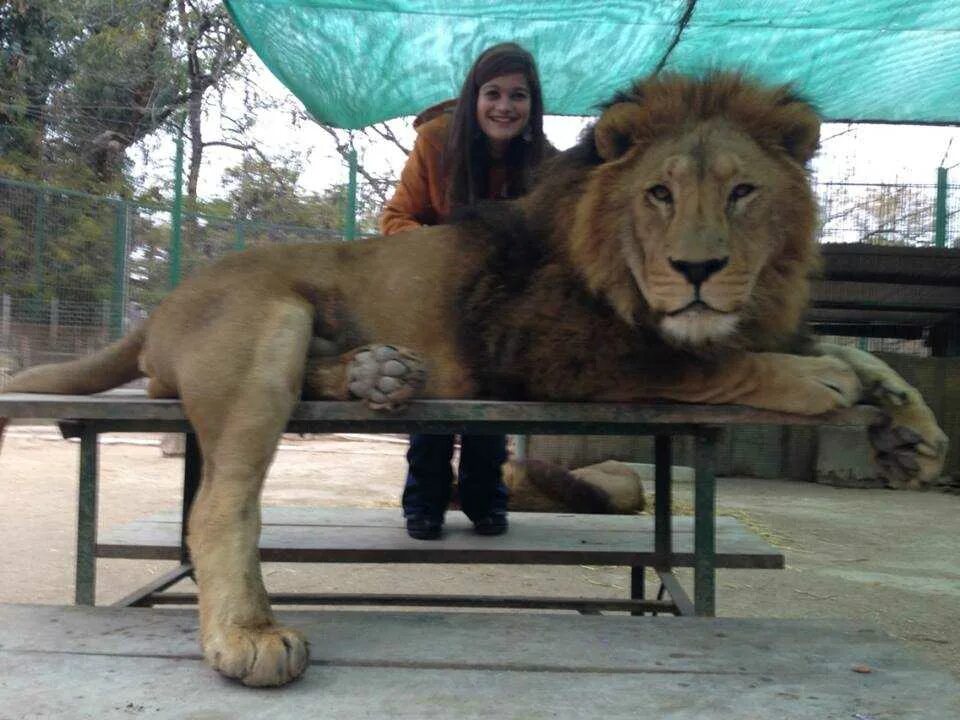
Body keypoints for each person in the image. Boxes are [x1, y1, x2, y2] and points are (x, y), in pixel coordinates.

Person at [379, 42, 555, 540]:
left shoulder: (545, 160)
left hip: (503, 306)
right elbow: (394, 218)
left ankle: (485, 500)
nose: (505, 106)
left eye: (518, 95)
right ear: (474, 97)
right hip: (436, 293)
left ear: (532, 104)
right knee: (434, 395)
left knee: (492, 396)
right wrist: (451, 250)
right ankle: (425, 502)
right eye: (493, 93)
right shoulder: (436, 141)